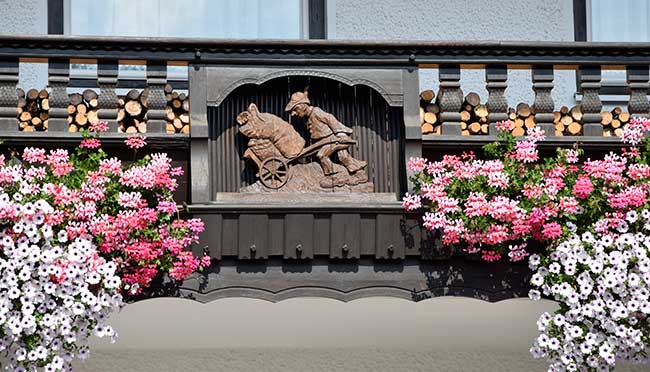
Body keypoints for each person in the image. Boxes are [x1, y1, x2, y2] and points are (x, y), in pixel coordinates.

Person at [284, 91, 367, 176]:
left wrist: (340, 134)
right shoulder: (306, 118)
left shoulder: (316, 112)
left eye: (295, 109)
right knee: (344, 157)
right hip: (324, 141)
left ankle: (334, 174)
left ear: (303, 106)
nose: (294, 114)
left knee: (322, 155)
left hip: (333, 139)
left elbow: (330, 119)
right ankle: (355, 170)